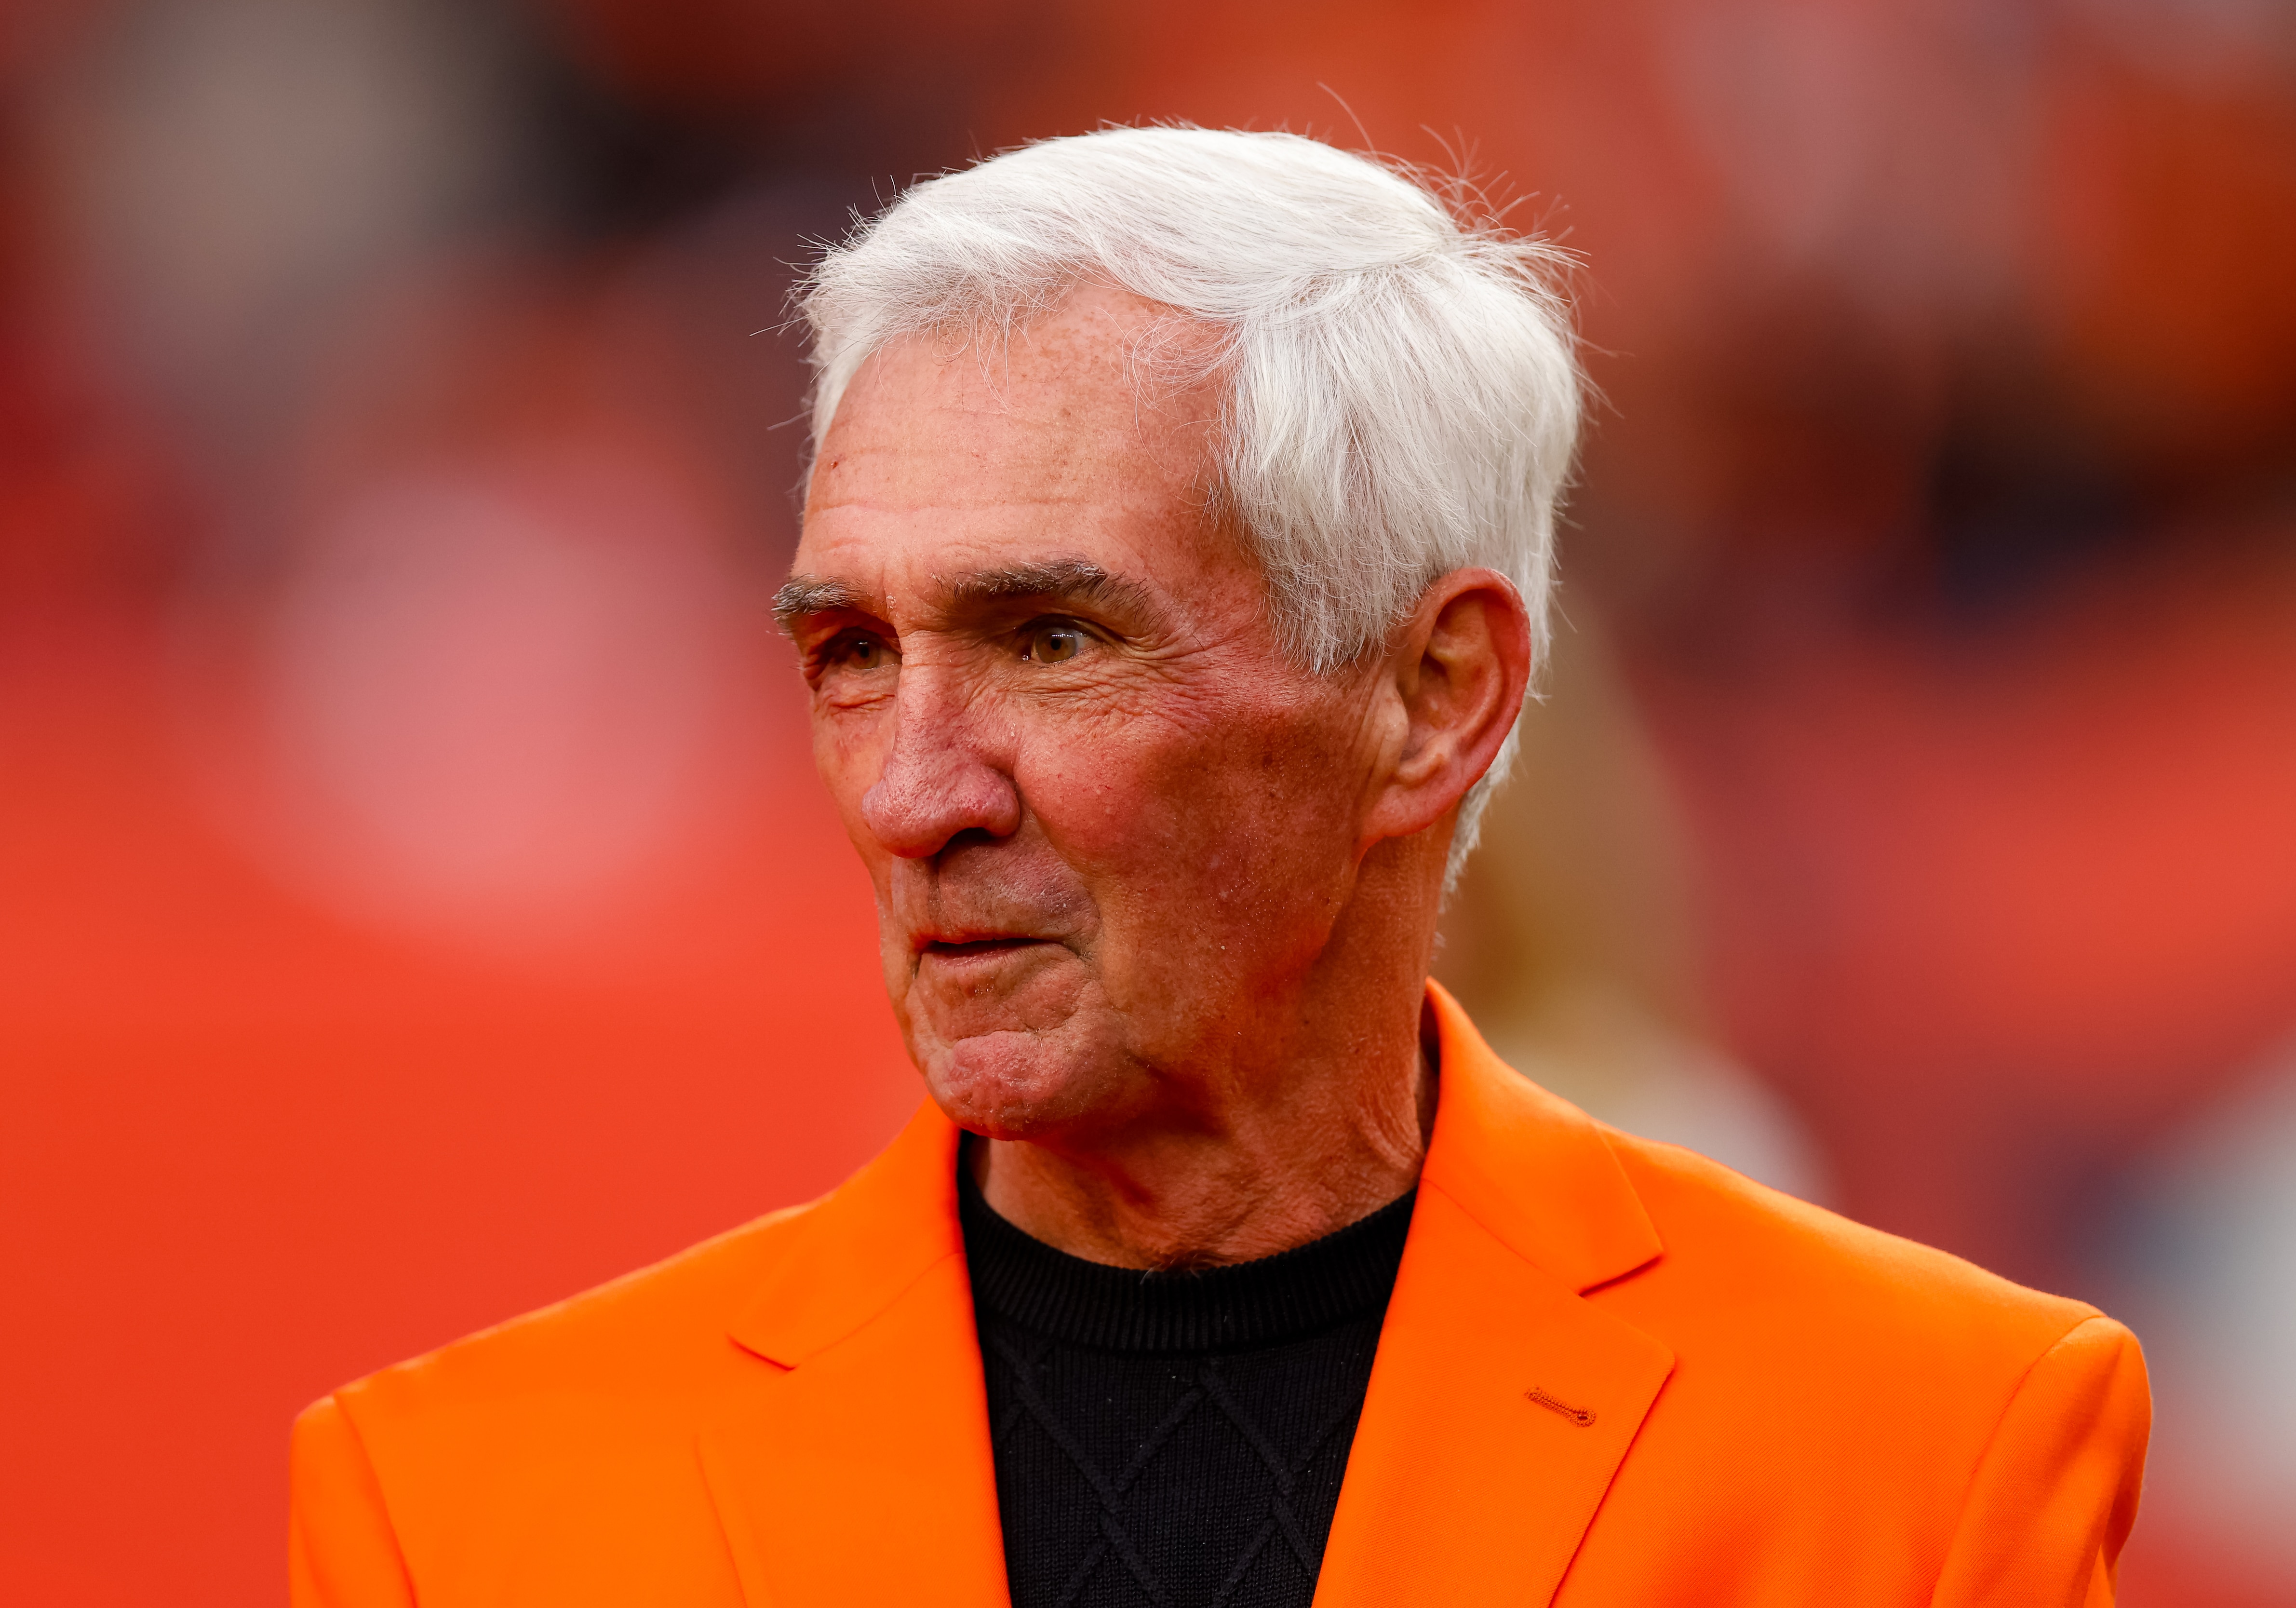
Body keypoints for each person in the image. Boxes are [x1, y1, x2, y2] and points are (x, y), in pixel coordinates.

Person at [289, 126, 2149, 1608]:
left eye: (1053, 639)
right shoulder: (460, 1509)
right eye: (852, 653)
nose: (911, 792)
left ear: (1437, 698)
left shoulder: (1926, 1450)